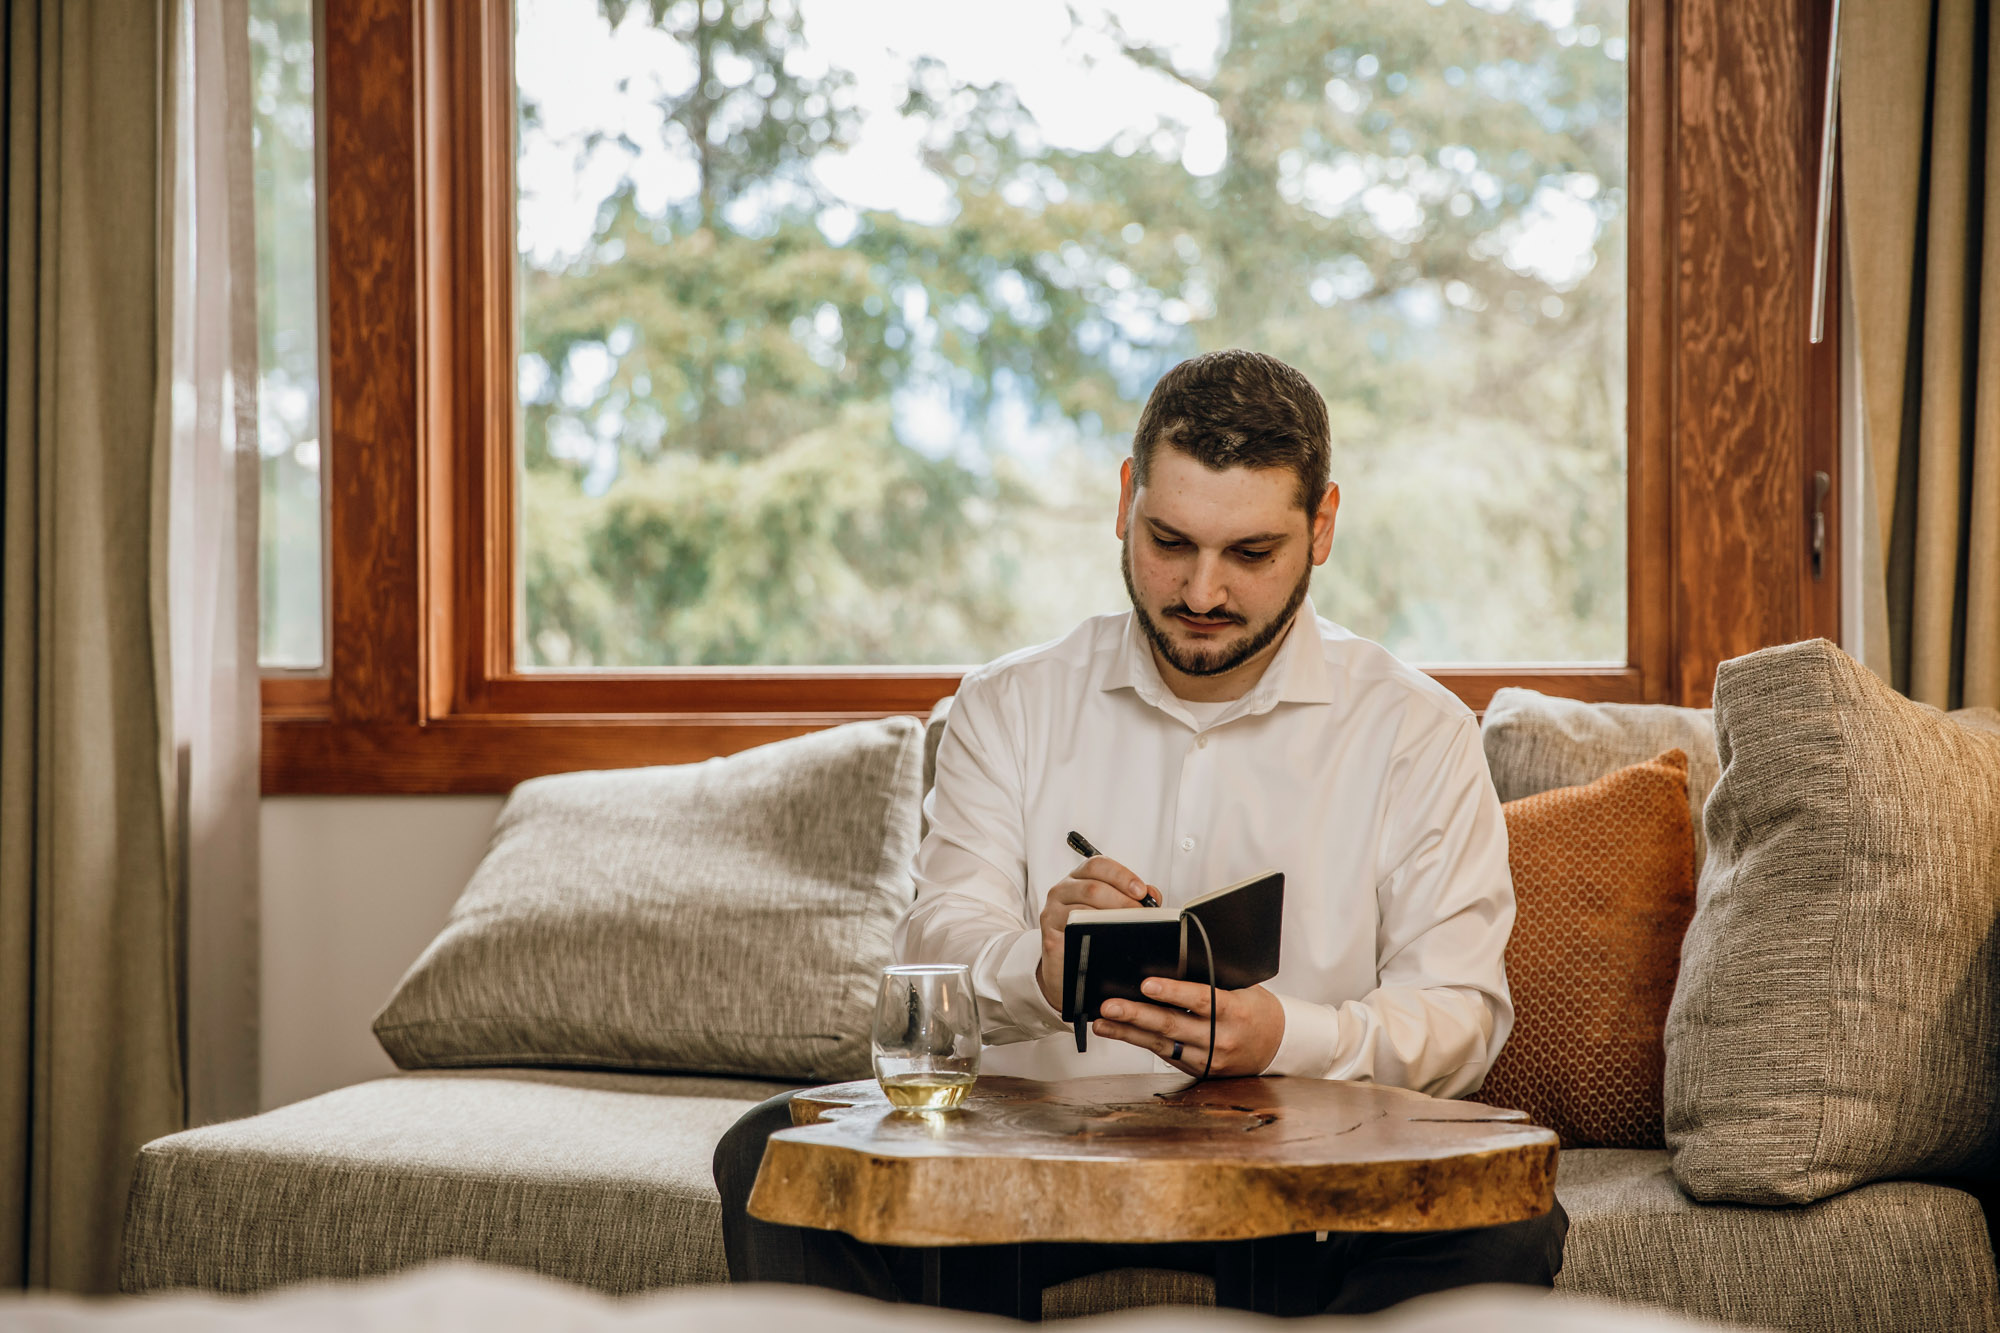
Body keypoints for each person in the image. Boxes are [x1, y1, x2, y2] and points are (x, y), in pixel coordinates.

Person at [713, 348, 1565, 1315]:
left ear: (1322, 526)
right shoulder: (1010, 704)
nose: (1202, 593)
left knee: (1508, 1214)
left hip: (1305, 1179)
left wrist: (1289, 1035)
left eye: (1251, 554)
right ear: (1125, 501)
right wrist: (1036, 967)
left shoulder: (1416, 730)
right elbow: (935, 950)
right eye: (1170, 542)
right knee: (769, 1154)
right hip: (1019, 1176)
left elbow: (1460, 1014)